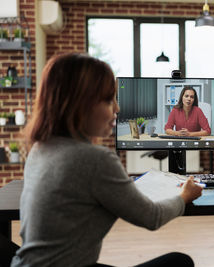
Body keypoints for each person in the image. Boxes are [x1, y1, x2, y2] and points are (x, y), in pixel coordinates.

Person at [11, 53, 203, 267]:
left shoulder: (41, 147)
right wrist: (185, 196)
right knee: (180, 262)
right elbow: (152, 217)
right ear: (79, 104)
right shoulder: (94, 159)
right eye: (107, 100)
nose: (117, 109)